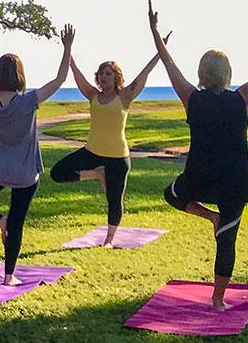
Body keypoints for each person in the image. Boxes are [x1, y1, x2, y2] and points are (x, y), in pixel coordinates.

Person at [149, 0, 248, 310]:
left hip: (199, 176)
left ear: (202, 73)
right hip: (234, 180)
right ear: (227, 73)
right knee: (227, 240)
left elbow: (168, 63)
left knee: (172, 195)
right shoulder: (243, 98)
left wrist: (155, 31)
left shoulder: (192, 98)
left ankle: (212, 218)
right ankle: (218, 300)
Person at [0, 24, 75, 285]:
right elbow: (59, 80)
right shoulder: (28, 100)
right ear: (20, 76)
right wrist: (67, 47)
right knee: (18, 222)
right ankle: (9, 276)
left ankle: (0, 220)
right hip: (25, 174)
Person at [49, 41, 169, 246]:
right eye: (101, 73)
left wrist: (160, 51)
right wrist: (67, 48)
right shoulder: (93, 95)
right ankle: (97, 173)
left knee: (114, 199)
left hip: (117, 156)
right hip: (92, 151)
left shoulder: (125, 96)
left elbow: (143, 76)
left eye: (108, 74)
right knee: (58, 173)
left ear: (116, 78)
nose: (103, 77)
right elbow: (75, 71)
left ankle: (109, 240)